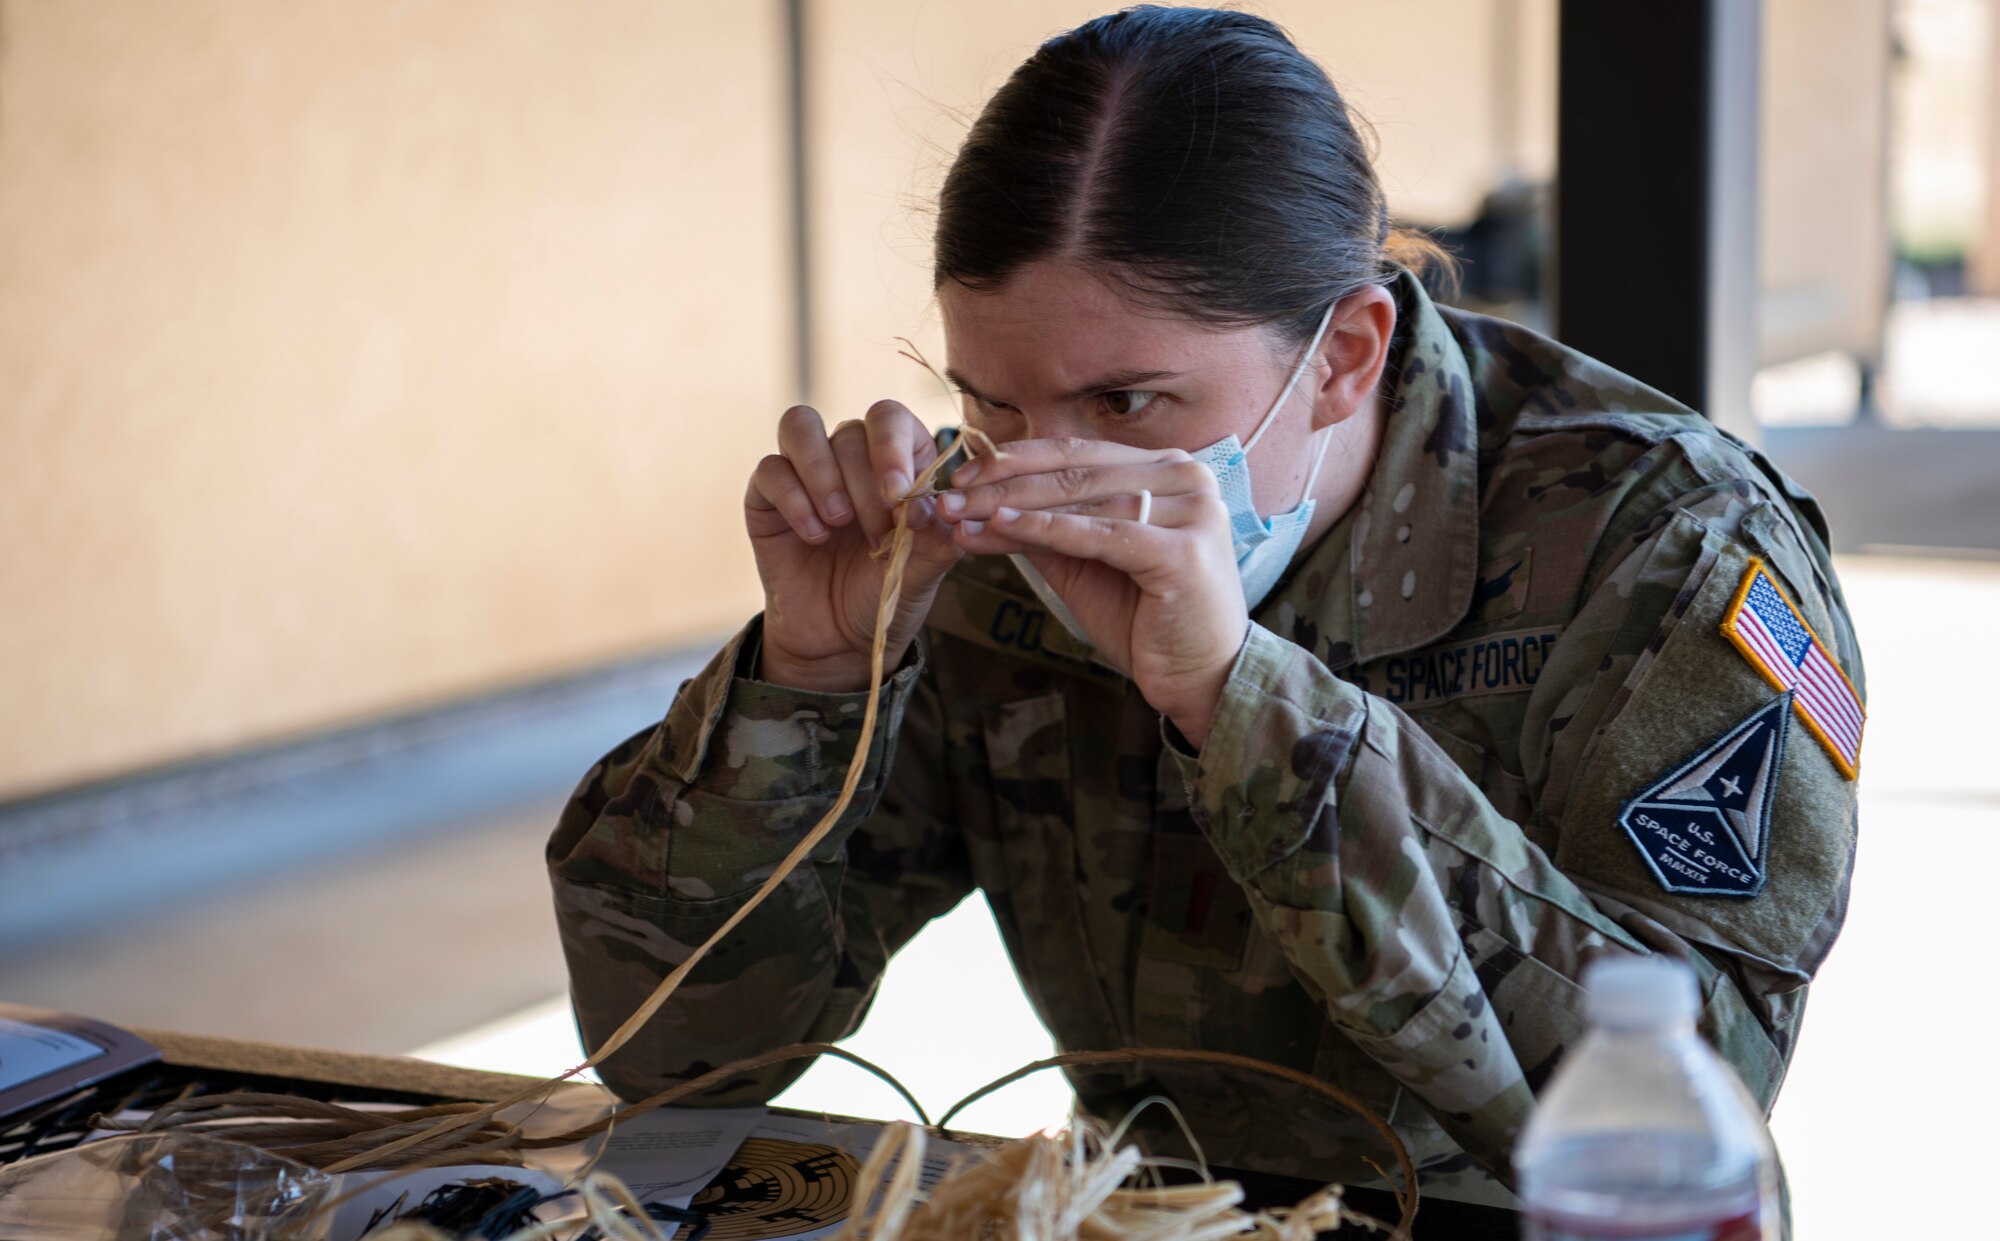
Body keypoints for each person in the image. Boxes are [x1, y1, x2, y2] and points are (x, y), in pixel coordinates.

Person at [547, 5, 1861, 1224]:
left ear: (1345, 352)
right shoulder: (978, 535)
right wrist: (811, 679)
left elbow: (1699, 1102)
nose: (1049, 475)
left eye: (1128, 405)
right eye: (994, 403)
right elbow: (675, 1053)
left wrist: (1244, 702)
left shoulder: (1667, 546)